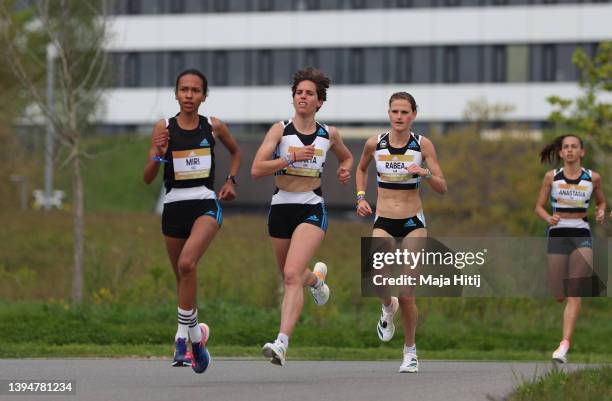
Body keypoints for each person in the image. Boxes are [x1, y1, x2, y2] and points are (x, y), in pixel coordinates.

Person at [251, 67, 353, 366]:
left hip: (311, 206)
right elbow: (257, 169)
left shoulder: (328, 134)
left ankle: (281, 343)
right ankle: (318, 282)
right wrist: (288, 158)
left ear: (320, 101)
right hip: (281, 207)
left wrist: (344, 167)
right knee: (291, 274)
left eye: (309, 93)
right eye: (299, 93)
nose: (303, 97)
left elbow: (346, 156)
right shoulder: (279, 130)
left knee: (292, 276)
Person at [143, 69, 242, 373]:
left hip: (205, 204)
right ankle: (198, 335)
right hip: (173, 208)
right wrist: (159, 155)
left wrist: (231, 181)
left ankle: (182, 340)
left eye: (195, 90)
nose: (189, 95)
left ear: (203, 96)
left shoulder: (213, 126)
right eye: (184, 90)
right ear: (176, 94)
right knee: (183, 278)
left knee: (187, 264)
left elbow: (236, 152)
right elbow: (147, 178)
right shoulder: (164, 127)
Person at [355, 92, 447, 373]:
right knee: (376, 278)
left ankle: (410, 351)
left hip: (412, 224)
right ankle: (387, 306)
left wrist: (425, 173)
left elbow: (442, 186)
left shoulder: (423, 145)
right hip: (383, 220)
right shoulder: (375, 143)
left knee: (408, 293)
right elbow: (361, 169)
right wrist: (360, 196)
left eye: (404, 112)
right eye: (395, 111)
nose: (399, 116)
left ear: (413, 115)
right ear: (389, 113)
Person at [535, 134, 605, 364]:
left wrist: (601, 211)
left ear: (582, 152)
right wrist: (548, 218)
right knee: (559, 294)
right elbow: (539, 207)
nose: (570, 150)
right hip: (558, 233)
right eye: (566, 147)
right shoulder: (551, 177)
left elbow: (602, 201)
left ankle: (564, 345)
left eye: (574, 147)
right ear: (562, 152)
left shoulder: (593, 178)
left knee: (574, 292)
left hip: (581, 232)